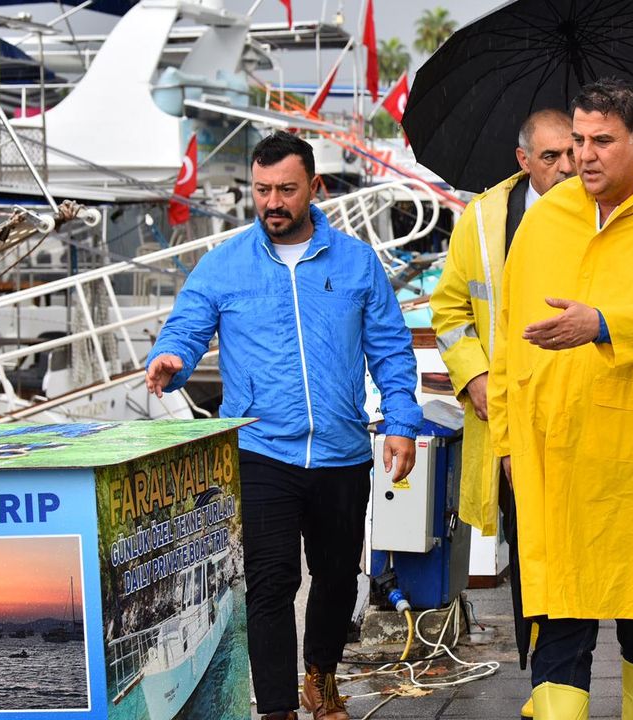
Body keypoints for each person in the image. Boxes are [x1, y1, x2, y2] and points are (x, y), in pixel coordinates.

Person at [145, 131, 421, 720]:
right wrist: (172, 359)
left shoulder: (355, 262)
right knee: (270, 585)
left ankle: (320, 677)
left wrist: (400, 418)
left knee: (338, 579)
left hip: (343, 452)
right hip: (260, 448)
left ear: (314, 188)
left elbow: (392, 349)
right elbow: (188, 327)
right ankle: (276, 709)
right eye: (262, 189)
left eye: (287, 190)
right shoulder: (223, 264)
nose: (273, 202)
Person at [487, 77, 633, 720]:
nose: (584, 156)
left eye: (602, 142)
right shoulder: (544, 221)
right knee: (561, 610)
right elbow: (508, 338)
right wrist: (507, 440)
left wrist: (605, 324)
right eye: (578, 141)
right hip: (555, 452)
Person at [430, 108, 573, 720]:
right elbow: (450, 311)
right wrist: (475, 378)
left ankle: (565, 680)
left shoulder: (608, 210)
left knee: (577, 553)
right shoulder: (485, 219)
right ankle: (547, 684)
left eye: (573, 153)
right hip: (513, 422)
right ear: (523, 160)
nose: (568, 167)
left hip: (584, 413)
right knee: (529, 549)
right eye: (551, 157)